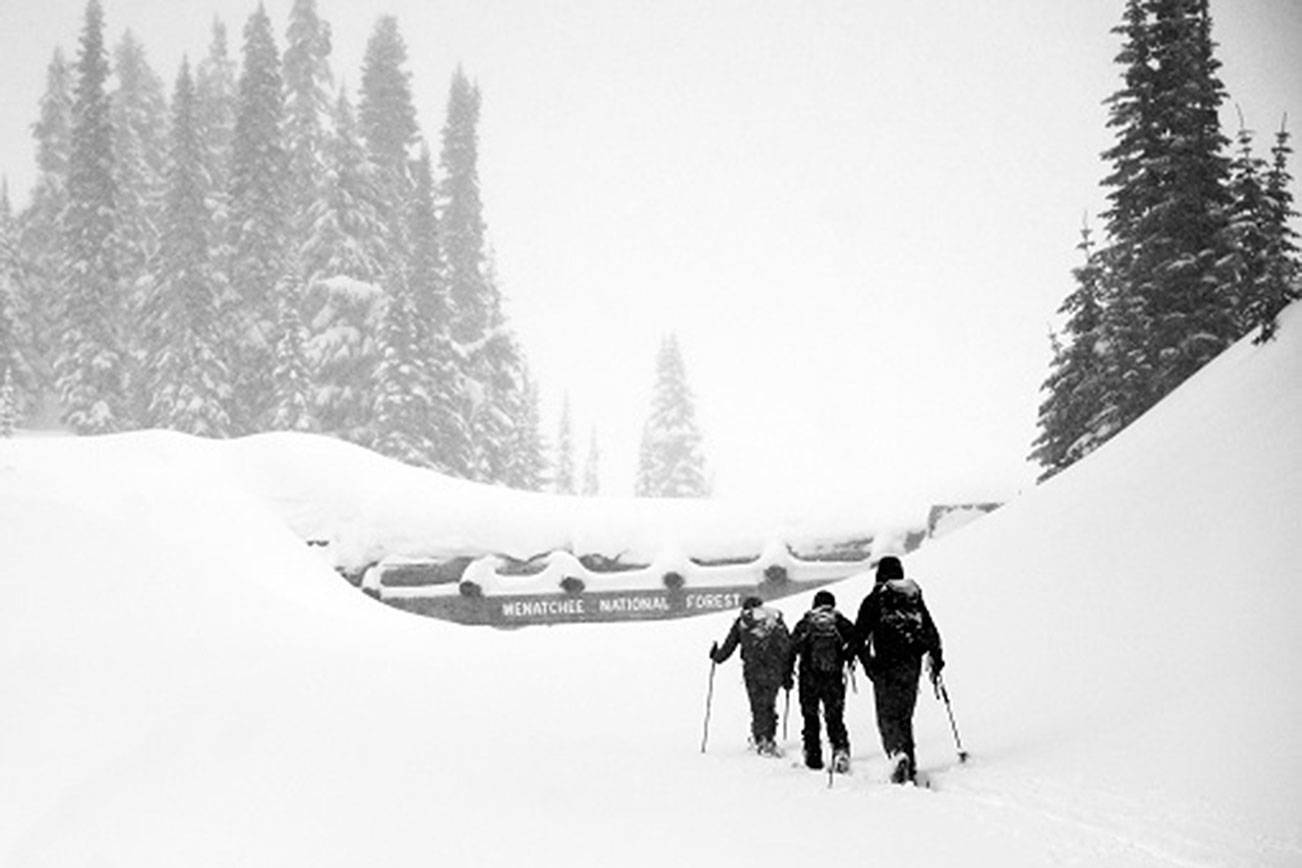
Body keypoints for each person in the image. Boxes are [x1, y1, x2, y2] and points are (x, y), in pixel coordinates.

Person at [854, 555, 944, 784]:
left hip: (885, 667)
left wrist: (868, 666)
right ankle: (910, 766)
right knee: (905, 717)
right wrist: (936, 659)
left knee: (887, 718)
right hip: (911, 666)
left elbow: (858, 637)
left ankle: (897, 755)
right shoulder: (912, 599)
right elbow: (930, 630)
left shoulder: (874, 600)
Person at [709, 595, 791, 757]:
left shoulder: (743, 622)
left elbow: (728, 648)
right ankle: (769, 738)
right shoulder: (774, 620)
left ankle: (760, 737)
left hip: (753, 670)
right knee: (769, 704)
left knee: (757, 705)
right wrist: (787, 672)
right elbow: (787, 646)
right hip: (774, 670)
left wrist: (715, 656)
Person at [787, 589, 856, 772]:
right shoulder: (839, 622)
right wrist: (847, 656)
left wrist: (787, 675)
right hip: (833, 677)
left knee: (810, 717)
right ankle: (840, 750)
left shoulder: (806, 623)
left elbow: (791, 648)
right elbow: (856, 640)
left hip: (809, 678)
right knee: (834, 717)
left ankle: (813, 756)